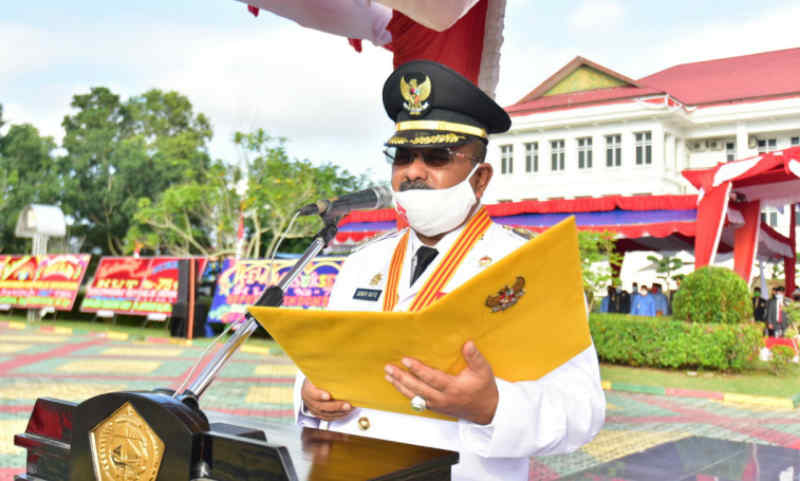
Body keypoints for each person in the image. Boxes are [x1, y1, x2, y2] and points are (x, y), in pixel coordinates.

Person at [293, 60, 605, 480]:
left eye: (437, 157)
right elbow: (320, 359)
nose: (414, 172)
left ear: (481, 179)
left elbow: (582, 409)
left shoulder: (529, 269)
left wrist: (492, 407)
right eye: (403, 156)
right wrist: (308, 393)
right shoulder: (362, 262)